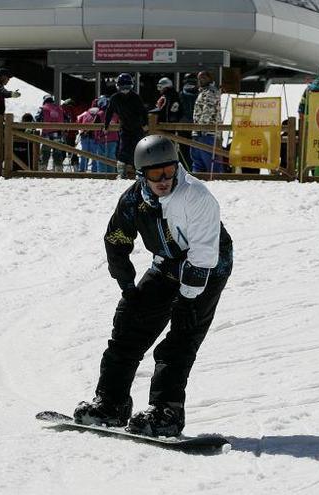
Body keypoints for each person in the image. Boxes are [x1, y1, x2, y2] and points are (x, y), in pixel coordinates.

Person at [73, 134, 234, 437]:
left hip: (209, 269)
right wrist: (127, 286)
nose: (163, 180)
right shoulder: (134, 200)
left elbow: (202, 255)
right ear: (141, 175)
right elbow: (116, 239)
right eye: (155, 174)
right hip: (167, 264)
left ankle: (166, 410)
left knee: (179, 341)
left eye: (169, 172)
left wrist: (187, 301)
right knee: (128, 329)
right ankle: (111, 404)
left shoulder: (196, 197)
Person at [104, 73, 148, 179]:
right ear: (118, 86)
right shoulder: (115, 98)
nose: (125, 89)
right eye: (123, 86)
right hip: (125, 128)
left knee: (138, 149)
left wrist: (145, 124)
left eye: (127, 86)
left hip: (137, 128)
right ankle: (122, 173)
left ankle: (139, 173)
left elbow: (143, 111)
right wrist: (106, 125)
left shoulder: (135, 97)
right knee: (123, 150)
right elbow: (109, 112)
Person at [190, 71, 223, 173]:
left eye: (203, 78)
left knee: (210, 161)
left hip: (207, 133)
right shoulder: (203, 92)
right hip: (198, 133)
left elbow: (207, 112)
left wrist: (201, 128)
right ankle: (197, 178)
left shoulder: (211, 92)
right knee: (197, 161)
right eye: (199, 78)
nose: (200, 80)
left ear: (210, 79)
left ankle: (216, 180)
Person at [37, 93, 66, 171]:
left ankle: (42, 169)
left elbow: (37, 118)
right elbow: (67, 119)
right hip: (58, 134)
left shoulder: (43, 108)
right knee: (57, 152)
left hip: (47, 133)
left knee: (45, 152)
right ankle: (58, 169)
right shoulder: (59, 108)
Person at [177, 73, 199, 169]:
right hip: (196, 125)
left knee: (184, 149)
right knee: (196, 149)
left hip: (183, 124)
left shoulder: (181, 94)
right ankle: (193, 168)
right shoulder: (199, 93)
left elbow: (178, 109)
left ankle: (185, 168)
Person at [94, 96, 119, 173]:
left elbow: (94, 125)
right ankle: (111, 174)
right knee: (111, 157)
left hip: (102, 138)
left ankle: (102, 174)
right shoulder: (115, 114)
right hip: (113, 138)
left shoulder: (99, 114)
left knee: (102, 158)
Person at [76, 99, 100, 172]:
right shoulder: (100, 113)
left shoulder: (86, 113)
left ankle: (82, 169)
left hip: (85, 135)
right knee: (95, 155)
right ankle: (94, 170)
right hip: (95, 136)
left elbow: (79, 121)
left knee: (84, 153)